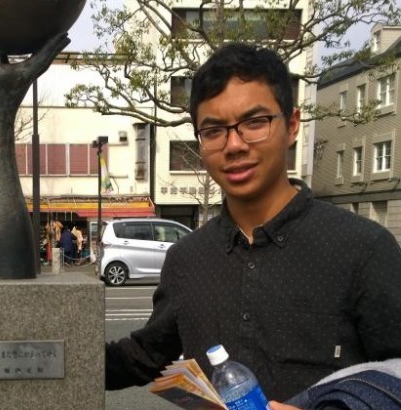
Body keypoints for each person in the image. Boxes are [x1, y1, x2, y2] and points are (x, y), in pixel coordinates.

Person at [105, 43, 401, 405]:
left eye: (254, 122)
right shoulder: (186, 259)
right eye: (214, 130)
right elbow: (145, 356)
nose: (234, 145)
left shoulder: (364, 249)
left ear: (291, 125)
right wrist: (43, 351)